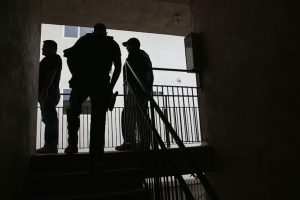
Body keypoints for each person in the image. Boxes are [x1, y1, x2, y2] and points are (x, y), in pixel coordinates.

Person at [63, 23, 121, 171]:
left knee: (73, 111)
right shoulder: (112, 43)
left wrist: (75, 74)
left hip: (82, 81)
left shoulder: (85, 40)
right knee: (98, 121)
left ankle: (73, 145)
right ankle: (96, 158)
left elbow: (69, 57)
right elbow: (118, 68)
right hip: (101, 83)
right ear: (105, 32)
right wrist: (110, 87)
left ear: (94, 31)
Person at [115, 38, 154, 151]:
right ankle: (144, 142)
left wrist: (135, 90)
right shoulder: (144, 55)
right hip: (142, 91)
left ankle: (130, 142)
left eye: (127, 45)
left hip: (136, 92)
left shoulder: (134, 55)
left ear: (132, 46)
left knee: (128, 115)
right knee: (141, 116)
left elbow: (134, 75)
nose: (126, 48)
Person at [36, 40, 62, 154]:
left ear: (51, 48)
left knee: (50, 119)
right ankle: (49, 145)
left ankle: (51, 146)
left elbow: (52, 72)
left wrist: (45, 89)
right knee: (48, 119)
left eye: (44, 47)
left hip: (49, 92)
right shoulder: (47, 59)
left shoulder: (54, 57)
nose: (42, 49)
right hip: (46, 92)